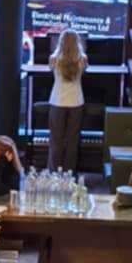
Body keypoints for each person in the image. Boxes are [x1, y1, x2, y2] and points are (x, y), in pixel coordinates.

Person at [49, 31, 87, 172]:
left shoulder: (54, 59)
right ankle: (69, 174)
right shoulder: (82, 59)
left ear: (61, 42)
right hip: (76, 102)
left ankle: (54, 173)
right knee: (72, 142)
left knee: (56, 141)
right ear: (78, 42)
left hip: (57, 101)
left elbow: (50, 70)